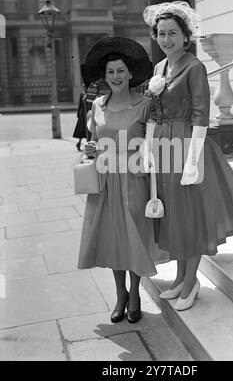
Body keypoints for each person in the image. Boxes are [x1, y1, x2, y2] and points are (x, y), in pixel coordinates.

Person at [142, 1, 233, 311]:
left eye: (172, 33)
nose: (166, 39)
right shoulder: (159, 69)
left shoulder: (195, 67)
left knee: (190, 217)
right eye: (160, 33)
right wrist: (147, 146)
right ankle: (182, 278)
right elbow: (154, 112)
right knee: (174, 217)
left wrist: (193, 161)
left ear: (185, 36)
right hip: (165, 147)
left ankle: (191, 280)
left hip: (188, 144)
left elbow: (200, 114)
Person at [77, 36, 159, 324]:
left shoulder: (146, 104)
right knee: (113, 238)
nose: (115, 77)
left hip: (135, 178)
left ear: (130, 73)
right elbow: (93, 141)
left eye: (121, 71)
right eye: (111, 72)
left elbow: (154, 142)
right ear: (105, 75)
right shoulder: (97, 105)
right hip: (105, 180)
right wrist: (89, 148)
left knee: (134, 236)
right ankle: (120, 294)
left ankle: (135, 294)